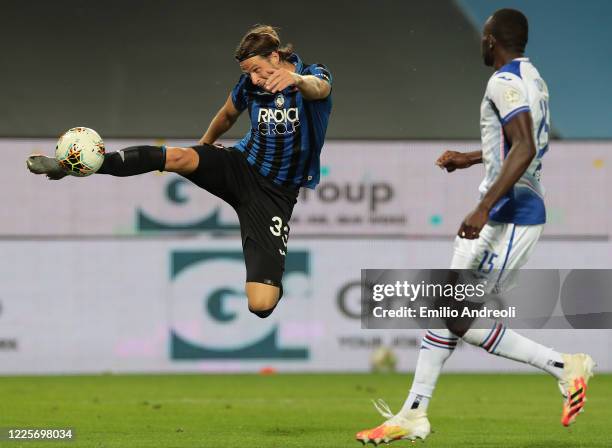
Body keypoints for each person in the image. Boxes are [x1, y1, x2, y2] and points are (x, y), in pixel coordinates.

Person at [355, 9, 594, 445]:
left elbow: (523, 147)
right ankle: (413, 413)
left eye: (483, 37)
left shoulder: (502, 82)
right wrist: (469, 159)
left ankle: (564, 366)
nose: (480, 44)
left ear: (490, 40)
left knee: (459, 316)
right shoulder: (534, 79)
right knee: (448, 307)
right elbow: (519, 143)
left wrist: (483, 206)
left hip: (510, 214)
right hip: (506, 207)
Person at [27, 25, 332, 319]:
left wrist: (296, 80)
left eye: (256, 70)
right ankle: (76, 166)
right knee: (178, 157)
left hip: (274, 195)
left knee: (260, 305)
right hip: (240, 166)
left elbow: (321, 89)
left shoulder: (311, 75)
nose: (252, 79)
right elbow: (227, 115)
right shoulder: (249, 88)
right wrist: (203, 150)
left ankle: (274, 282)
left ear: (275, 58)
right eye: (246, 73)